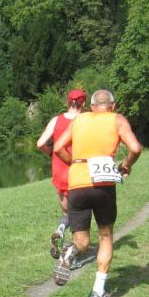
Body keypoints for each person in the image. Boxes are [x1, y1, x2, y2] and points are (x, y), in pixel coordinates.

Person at [52, 90, 143, 297]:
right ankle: (98, 292)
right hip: (103, 185)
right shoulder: (117, 120)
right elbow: (135, 148)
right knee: (105, 236)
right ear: (113, 105)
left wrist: (76, 163)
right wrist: (125, 165)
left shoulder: (79, 120)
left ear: (91, 107)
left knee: (82, 241)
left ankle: (72, 250)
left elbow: (57, 147)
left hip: (77, 184)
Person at [36, 89, 87, 259]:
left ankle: (60, 229)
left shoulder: (56, 120)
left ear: (67, 102)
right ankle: (73, 254)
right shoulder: (86, 120)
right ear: (84, 103)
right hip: (79, 171)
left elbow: (40, 143)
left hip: (60, 172)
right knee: (79, 216)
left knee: (68, 212)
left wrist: (51, 153)